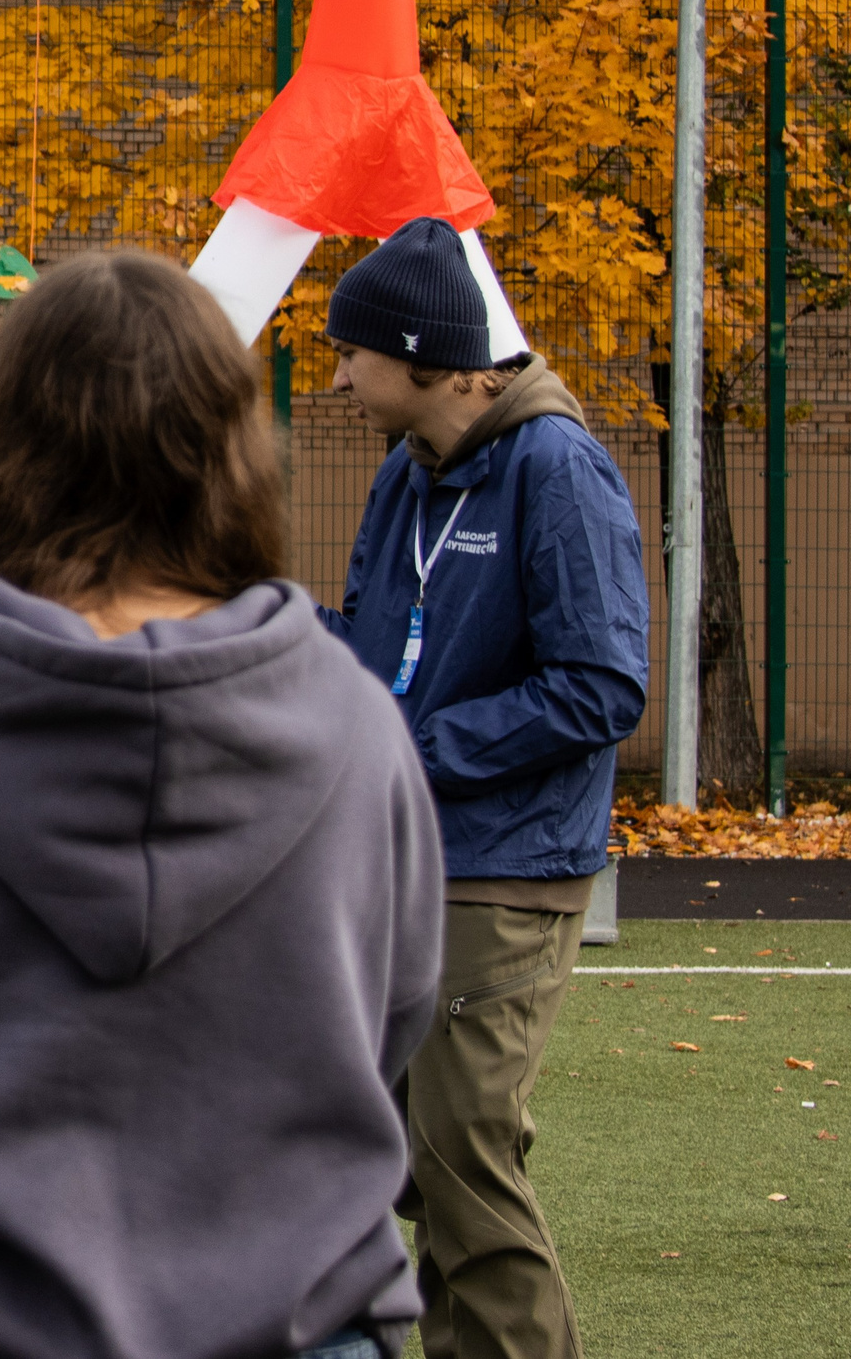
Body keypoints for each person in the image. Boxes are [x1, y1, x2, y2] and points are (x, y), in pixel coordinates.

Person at [0, 251, 445, 1359]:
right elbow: (392, 1015)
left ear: (4, 447)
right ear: (231, 448)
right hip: (291, 1304)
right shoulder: (355, 723)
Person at [317, 215, 647, 1359]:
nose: (338, 372)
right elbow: (372, 643)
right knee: (410, 1160)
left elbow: (601, 685)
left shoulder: (558, 468)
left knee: (461, 1156)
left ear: (420, 353)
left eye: (351, 349)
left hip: (503, 871)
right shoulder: (409, 474)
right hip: (403, 860)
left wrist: (418, 746)